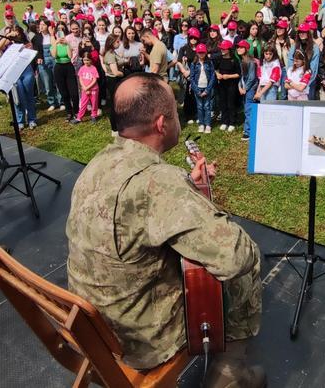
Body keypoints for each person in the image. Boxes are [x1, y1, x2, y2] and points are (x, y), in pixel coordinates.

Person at [66, 74, 263, 386]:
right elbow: (236, 256)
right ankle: (230, 373)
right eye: (176, 111)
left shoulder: (101, 161)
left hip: (91, 321)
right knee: (240, 270)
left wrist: (189, 191)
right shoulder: (159, 182)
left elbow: (135, 215)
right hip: (139, 338)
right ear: (161, 123)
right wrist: (202, 206)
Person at [51, 29, 79, 122]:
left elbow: (70, 56)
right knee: (64, 93)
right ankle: (69, 112)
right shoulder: (54, 45)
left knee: (74, 93)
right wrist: (55, 43)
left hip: (68, 67)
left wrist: (67, 44)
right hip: (59, 68)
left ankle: (76, 111)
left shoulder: (67, 44)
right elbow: (54, 55)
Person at [214, 40, 241, 131]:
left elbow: (238, 74)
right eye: (221, 48)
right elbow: (215, 69)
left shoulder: (234, 60)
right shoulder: (219, 58)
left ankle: (232, 122)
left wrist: (228, 76)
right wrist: (217, 74)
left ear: (229, 50)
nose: (222, 50)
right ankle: (224, 121)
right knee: (223, 103)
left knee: (231, 103)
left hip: (232, 85)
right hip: (221, 85)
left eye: (224, 49)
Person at [190, 43, 216, 133]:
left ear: (205, 53)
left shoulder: (210, 63)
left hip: (207, 88)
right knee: (200, 106)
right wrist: (197, 90)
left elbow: (213, 76)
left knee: (207, 106)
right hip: (198, 88)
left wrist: (207, 90)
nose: (201, 54)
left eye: (203, 52)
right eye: (199, 52)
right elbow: (192, 78)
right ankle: (201, 124)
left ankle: (208, 124)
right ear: (197, 53)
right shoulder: (194, 64)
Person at [237, 40, 260, 141]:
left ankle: (248, 132)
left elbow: (252, 77)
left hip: (250, 88)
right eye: (238, 47)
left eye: (241, 47)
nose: (238, 49)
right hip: (245, 87)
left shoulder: (251, 62)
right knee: (247, 107)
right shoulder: (242, 61)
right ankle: (248, 128)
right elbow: (242, 76)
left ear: (246, 49)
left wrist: (245, 88)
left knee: (248, 109)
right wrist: (240, 86)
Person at [72, 51, 100, 124]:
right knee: (83, 103)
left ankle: (94, 115)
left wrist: (88, 87)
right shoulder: (82, 68)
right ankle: (79, 118)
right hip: (84, 90)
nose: (86, 62)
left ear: (91, 60)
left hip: (93, 89)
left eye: (88, 60)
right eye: (84, 60)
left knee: (94, 103)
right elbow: (80, 78)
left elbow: (94, 79)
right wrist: (84, 87)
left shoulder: (93, 68)